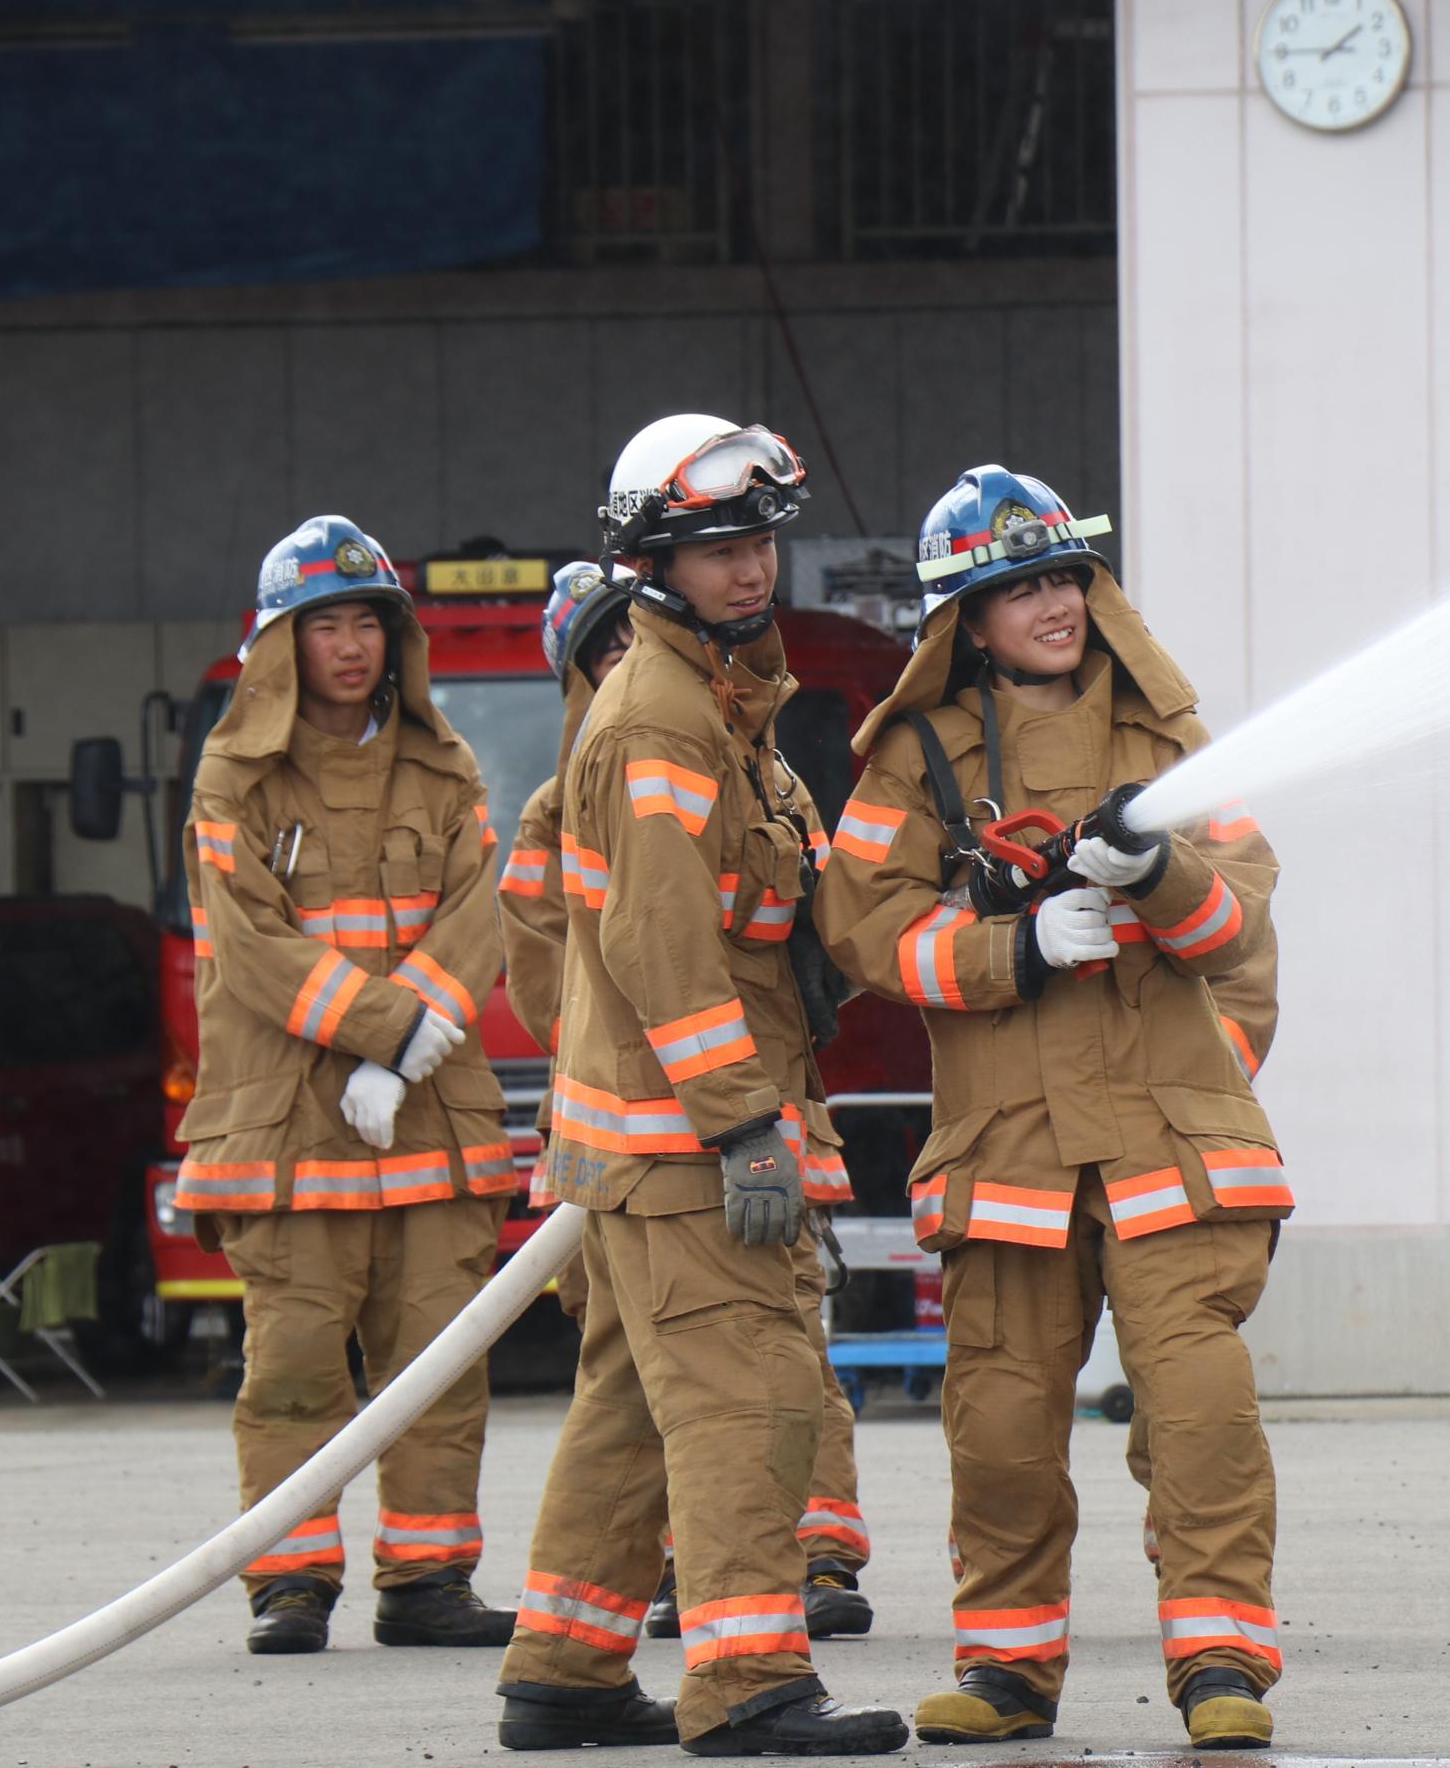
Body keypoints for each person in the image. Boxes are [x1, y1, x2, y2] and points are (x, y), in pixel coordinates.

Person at [814, 466, 1290, 1751]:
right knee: (1004, 1428)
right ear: (965, 618)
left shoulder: (1169, 745)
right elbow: (858, 927)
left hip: (1164, 1150)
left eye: (1062, 575)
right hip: (1009, 1149)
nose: (1050, 603)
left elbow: (1237, 922)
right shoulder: (916, 762)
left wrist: (1154, 866)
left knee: (1199, 1420)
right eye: (1015, 585)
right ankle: (1010, 1670)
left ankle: (1221, 1662)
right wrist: (1008, 952)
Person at [492, 418, 903, 1757]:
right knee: (753, 1403)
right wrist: (743, 1125)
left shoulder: (723, 704)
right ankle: (747, 1687)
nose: (749, 570)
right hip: (686, 1151)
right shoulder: (661, 716)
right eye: (718, 547)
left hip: (649, 1153)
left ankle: (564, 1668)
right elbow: (659, 948)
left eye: (759, 542)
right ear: (651, 560)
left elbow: (788, 905)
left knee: (625, 1411)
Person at [174, 515, 526, 1656]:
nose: (350, 644)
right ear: (282, 643)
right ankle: (288, 1582)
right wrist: (389, 1027)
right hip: (289, 1130)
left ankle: (428, 1580)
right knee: (291, 1370)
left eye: (367, 620)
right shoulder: (235, 779)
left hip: (428, 1114)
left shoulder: (445, 765)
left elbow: (481, 912)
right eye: (324, 622)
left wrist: (407, 1045)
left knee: (437, 1366)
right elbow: (253, 947)